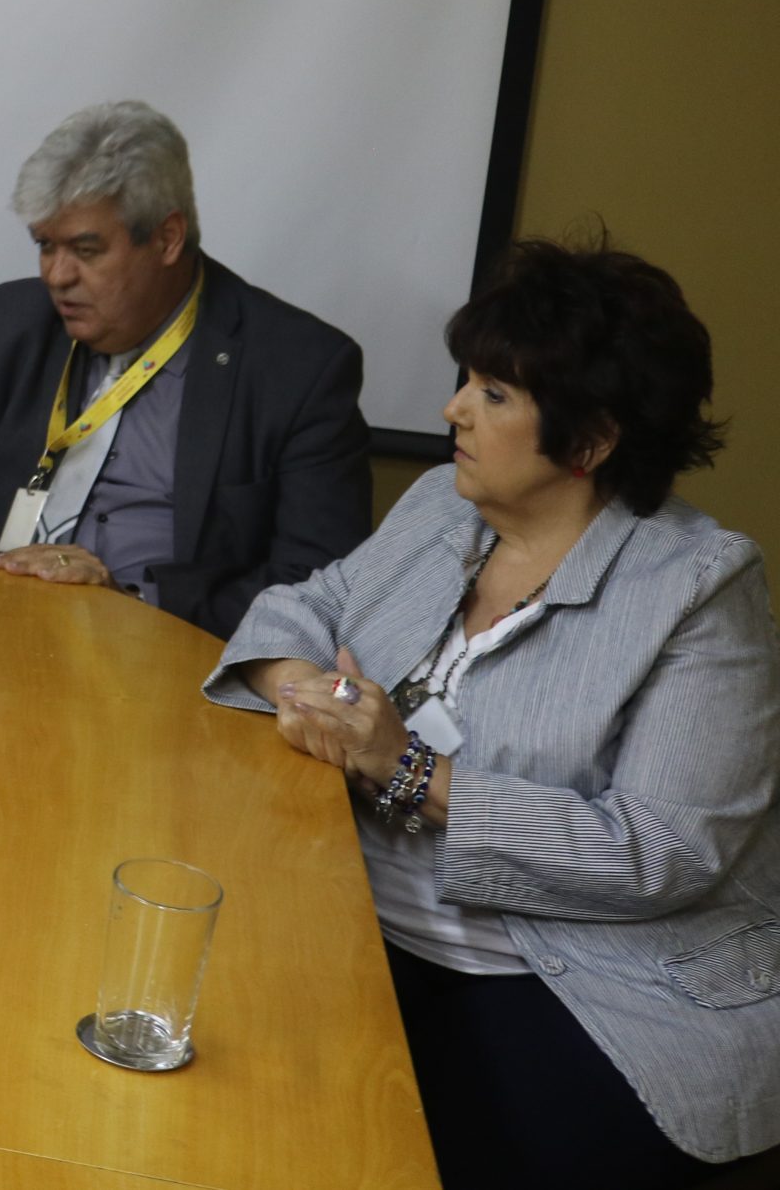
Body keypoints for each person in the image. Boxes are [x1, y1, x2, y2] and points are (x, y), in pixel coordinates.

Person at [205, 240, 779, 1187]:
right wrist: (313, 694)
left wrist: (407, 768)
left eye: (495, 394)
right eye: (467, 380)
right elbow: (309, 603)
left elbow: (663, 850)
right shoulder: (446, 503)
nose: (454, 410)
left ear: (591, 442)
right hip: (353, 922)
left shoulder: (699, 585)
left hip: (581, 987)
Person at [0, 101, 370, 637]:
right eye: (44, 246)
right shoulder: (17, 320)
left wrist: (131, 601)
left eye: (85, 250)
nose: (56, 276)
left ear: (167, 239)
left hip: (163, 667)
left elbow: (318, 586)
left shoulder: (297, 368)